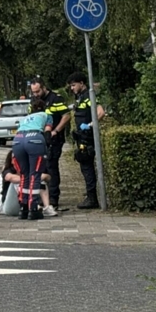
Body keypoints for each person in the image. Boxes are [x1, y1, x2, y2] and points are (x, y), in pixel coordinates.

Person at [11, 98, 58, 220]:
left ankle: (23, 207)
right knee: (35, 175)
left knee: (23, 175)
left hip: (18, 140)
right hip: (34, 140)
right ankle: (33, 208)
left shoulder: (25, 118)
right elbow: (48, 133)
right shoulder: (46, 115)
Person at [66, 72, 105, 209]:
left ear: (82, 83)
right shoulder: (80, 97)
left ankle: (92, 198)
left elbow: (100, 112)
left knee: (87, 167)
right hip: (82, 137)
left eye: (73, 85)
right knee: (84, 166)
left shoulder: (89, 96)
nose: (72, 88)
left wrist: (89, 125)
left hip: (87, 138)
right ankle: (90, 194)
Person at [30, 77, 69, 209]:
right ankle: (43, 197)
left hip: (54, 139)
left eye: (37, 91)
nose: (35, 95)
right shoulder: (34, 101)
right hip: (39, 140)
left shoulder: (56, 99)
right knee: (42, 167)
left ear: (43, 87)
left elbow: (66, 116)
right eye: (33, 92)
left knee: (51, 166)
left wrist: (56, 131)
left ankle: (53, 198)